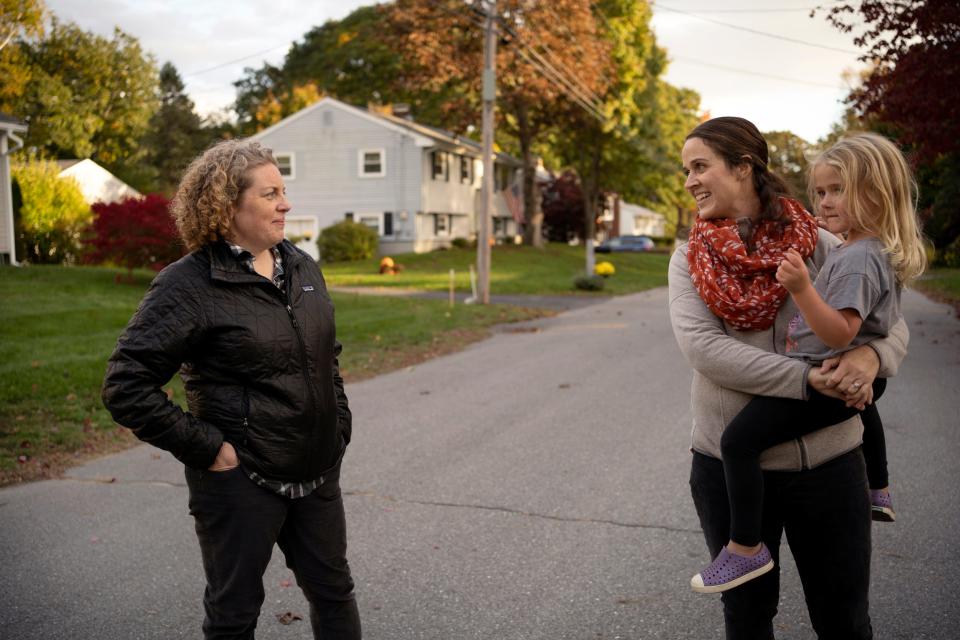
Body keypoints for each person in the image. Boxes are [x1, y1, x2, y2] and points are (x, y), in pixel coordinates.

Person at [102, 139, 361, 640]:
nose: (285, 204)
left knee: (334, 592)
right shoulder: (188, 285)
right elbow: (126, 385)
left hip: (317, 468)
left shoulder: (303, 267)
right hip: (243, 481)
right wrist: (211, 450)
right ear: (226, 206)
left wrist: (338, 423)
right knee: (234, 613)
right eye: (269, 194)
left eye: (284, 191)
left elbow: (326, 354)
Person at [669, 117, 909, 639]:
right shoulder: (690, 258)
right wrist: (806, 382)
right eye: (686, 169)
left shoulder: (823, 240)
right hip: (726, 465)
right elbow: (705, 349)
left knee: (844, 619)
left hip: (829, 463)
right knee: (748, 619)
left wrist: (871, 360)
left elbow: (889, 322)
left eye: (700, 166)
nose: (689, 181)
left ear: (743, 168)